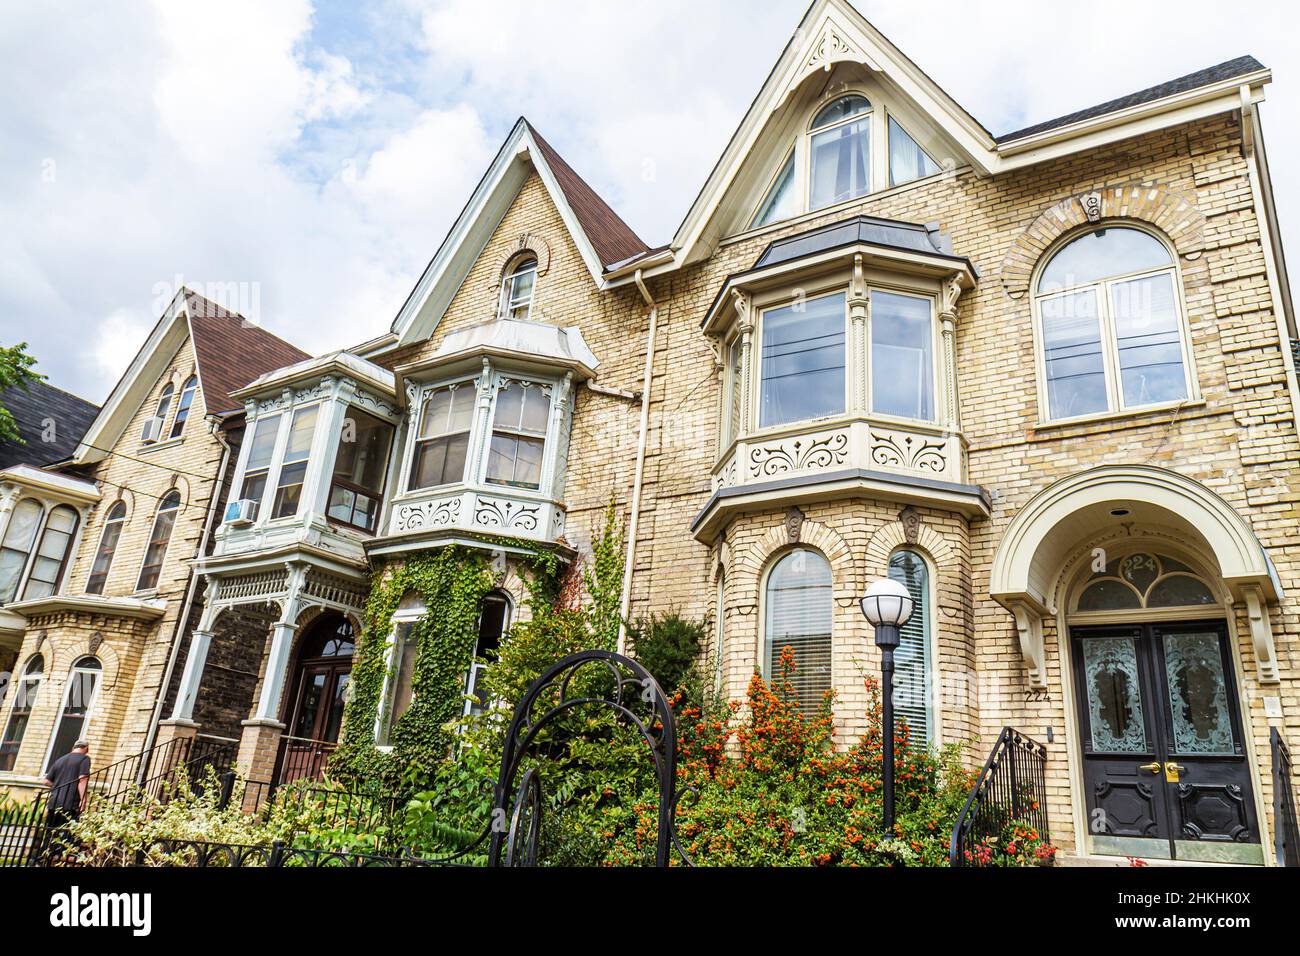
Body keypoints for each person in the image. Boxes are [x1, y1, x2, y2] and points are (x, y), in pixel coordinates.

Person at [43, 739, 91, 859]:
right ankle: (63, 858)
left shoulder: (61, 759)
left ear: (73, 747)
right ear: (86, 749)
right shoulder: (85, 759)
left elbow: (46, 781)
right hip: (70, 802)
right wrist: (83, 799)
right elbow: (82, 779)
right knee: (69, 831)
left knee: (51, 830)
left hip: (54, 801)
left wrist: (58, 786)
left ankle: (46, 856)